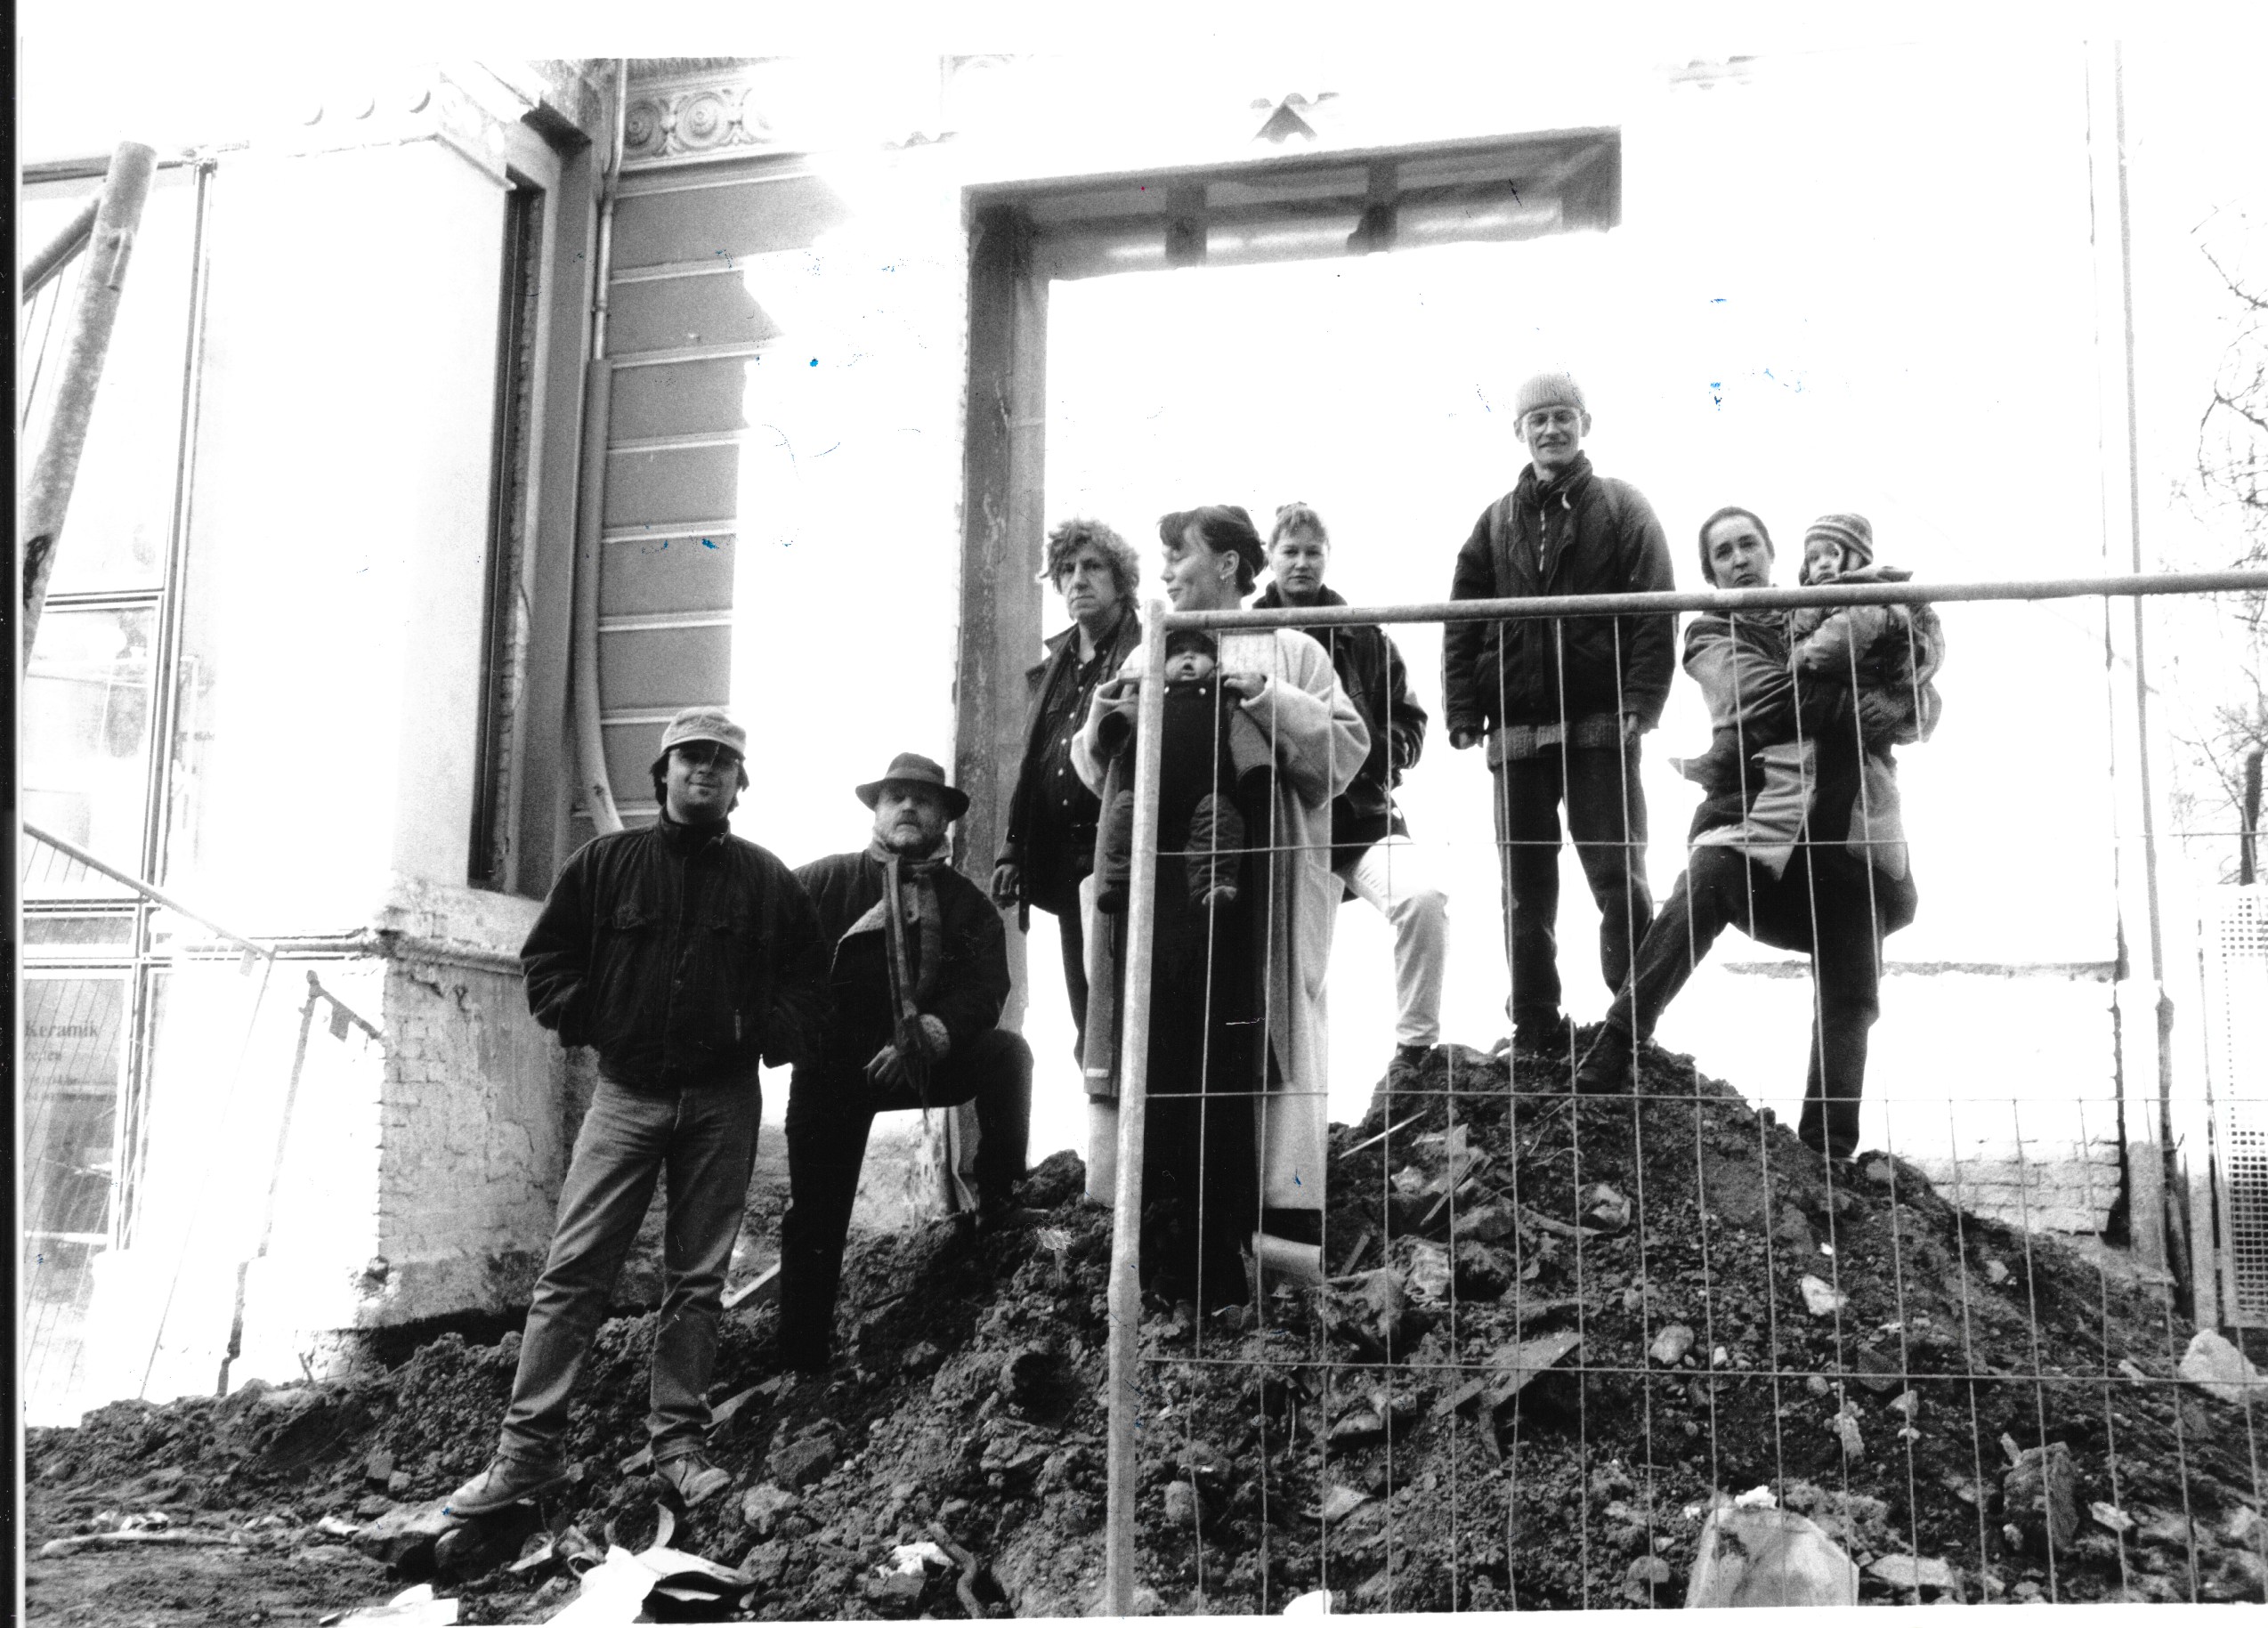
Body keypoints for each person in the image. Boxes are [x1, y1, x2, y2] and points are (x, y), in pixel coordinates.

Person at [448, 709, 824, 1517]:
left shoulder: (767, 881)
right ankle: (526, 1454)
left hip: (723, 1101)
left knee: (698, 1280)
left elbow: (808, 980)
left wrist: (765, 1033)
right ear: (663, 774)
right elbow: (547, 959)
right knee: (573, 1270)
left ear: (739, 783)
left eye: (722, 761)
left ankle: (678, 1446)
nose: (705, 770)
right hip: (625, 1095)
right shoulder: (604, 864)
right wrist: (598, 1020)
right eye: (691, 758)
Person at [1573, 507, 1928, 1170]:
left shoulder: (1817, 608)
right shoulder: (1710, 632)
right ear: (1711, 572)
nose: (1739, 559)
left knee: (1854, 983)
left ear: (1771, 552)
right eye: (1723, 552)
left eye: (1748, 545)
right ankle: (1619, 1039)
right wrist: (1878, 708)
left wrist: (1909, 705)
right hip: (1760, 828)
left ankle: (1827, 1151)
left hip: (1851, 828)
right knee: (1707, 877)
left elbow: (1922, 694)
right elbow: (1763, 701)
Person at [1076, 505, 1367, 1307]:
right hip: (1159, 904)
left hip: (1254, 902)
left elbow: (1345, 752)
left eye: (1181, 555)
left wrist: (1269, 699)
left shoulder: (1293, 650)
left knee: (1245, 1064)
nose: (1167, 571)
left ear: (1231, 566)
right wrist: (1104, 717)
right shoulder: (1149, 649)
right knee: (1161, 1058)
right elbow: (1097, 769)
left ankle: (1246, 1262)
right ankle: (1160, 1266)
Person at [1442, 371, 1678, 1057]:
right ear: (1519, 431)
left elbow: (1656, 606)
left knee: (1619, 876)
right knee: (1524, 885)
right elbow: (1461, 620)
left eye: (1563, 416)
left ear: (1585, 424)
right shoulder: (1494, 521)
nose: (1551, 429)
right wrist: (1464, 706)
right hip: (1516, 732)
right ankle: (1536, 1025)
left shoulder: (1623, 506)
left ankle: (1632, 1025)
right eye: (1538, 419)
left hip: (1602, 723)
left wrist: (1642, 698)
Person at [780, 753, 1034, 1373]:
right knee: (816, 1217)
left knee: (1008, 1055)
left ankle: (1000, 1198)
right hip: (834, 1074)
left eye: (924, 799)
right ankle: (800, 1361)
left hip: (920, 1064)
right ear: (877, 810)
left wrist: (928, 1034)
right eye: (896, 796)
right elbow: (774, 949)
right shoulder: (825, 882)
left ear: (945, 818)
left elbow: (985, 988)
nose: (909, 807)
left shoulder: (967, 905)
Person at [1256, 501, 1449, 1085]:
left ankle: (1415, 1049)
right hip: (1281, 824)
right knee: (1298, 975)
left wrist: (1361, 755)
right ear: (1269, 557)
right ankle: (1289, 1099)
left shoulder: (1364, 633)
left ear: (1328, 557)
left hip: (1359, 815)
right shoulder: (1243, 634)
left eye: (1313, 551)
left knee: (1422, 899)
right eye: (1290, 551)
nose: (1301, 562)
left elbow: (1410, 723)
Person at [992, 518, 1145, 1059]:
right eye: (1067, 570)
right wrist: (1014, 846)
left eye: (1093, 567)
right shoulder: (1054, 665)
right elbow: (1033, 759)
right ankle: (1099, 1104)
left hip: (1122, 852)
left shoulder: (1145, 650)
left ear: (1121, 580)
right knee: (1088, 1006)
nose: (1078, 579)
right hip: (1062, 856)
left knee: (1126, 999)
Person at [1090, 628, 1261, 917]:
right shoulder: (1147, 698)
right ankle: (1120, 882)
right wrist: (1115, 728)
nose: (1189, 657)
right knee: (1123, 814)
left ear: (1217, 664)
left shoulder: (1224, 702)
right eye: (1178, 652)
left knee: (1219, 821)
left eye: (1200, 652)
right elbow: (1126, 716)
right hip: (1147, 788)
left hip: (1207, 788)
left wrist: (1257, 769)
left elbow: (1244, 737)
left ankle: (1214, 882)